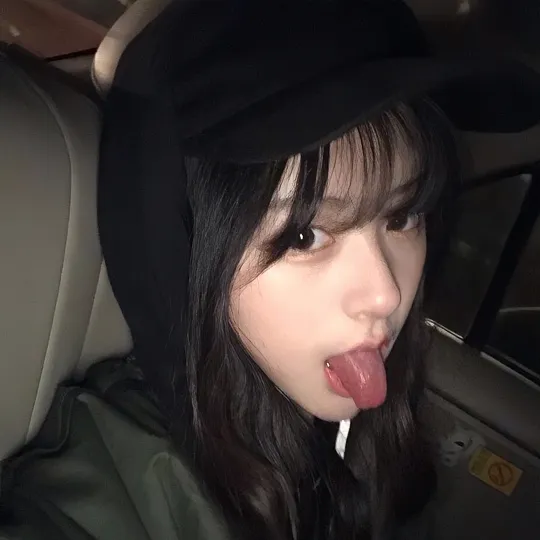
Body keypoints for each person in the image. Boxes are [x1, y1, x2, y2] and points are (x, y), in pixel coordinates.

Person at [2, 1, 539, 540]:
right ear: (178, 246)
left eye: (401, 217)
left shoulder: (348, 433)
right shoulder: (105, 492)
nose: (386, 294)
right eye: (305, 237)